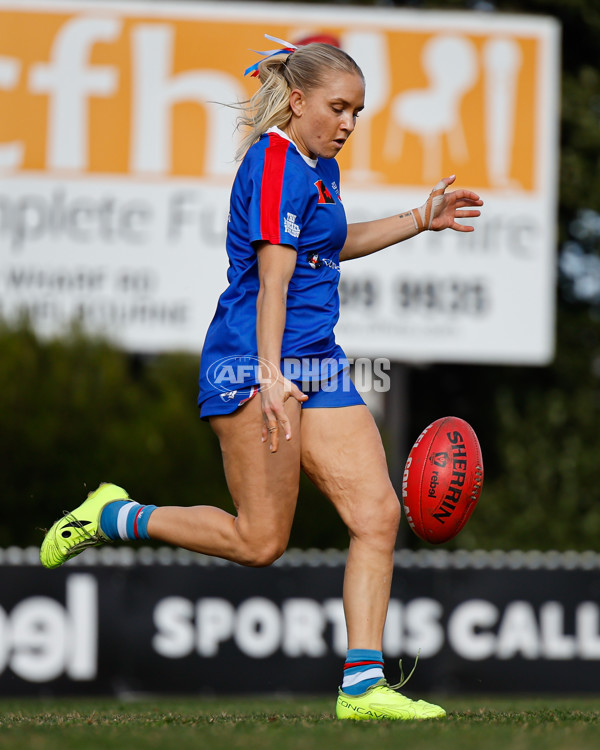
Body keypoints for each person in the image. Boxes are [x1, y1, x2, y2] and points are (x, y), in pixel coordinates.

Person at [40, 36, 483, 720]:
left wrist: (419, 220)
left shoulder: (319, 167)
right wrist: (273, 378)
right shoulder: (276, 163)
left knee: (375, 515)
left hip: (317, 362)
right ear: (299, 100)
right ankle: (114, 514)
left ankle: (363, 686)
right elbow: (273, 283)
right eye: (339, 108)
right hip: (253, 366)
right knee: (260, 542)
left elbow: (331, 244)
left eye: (358, 112)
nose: (349, 123)